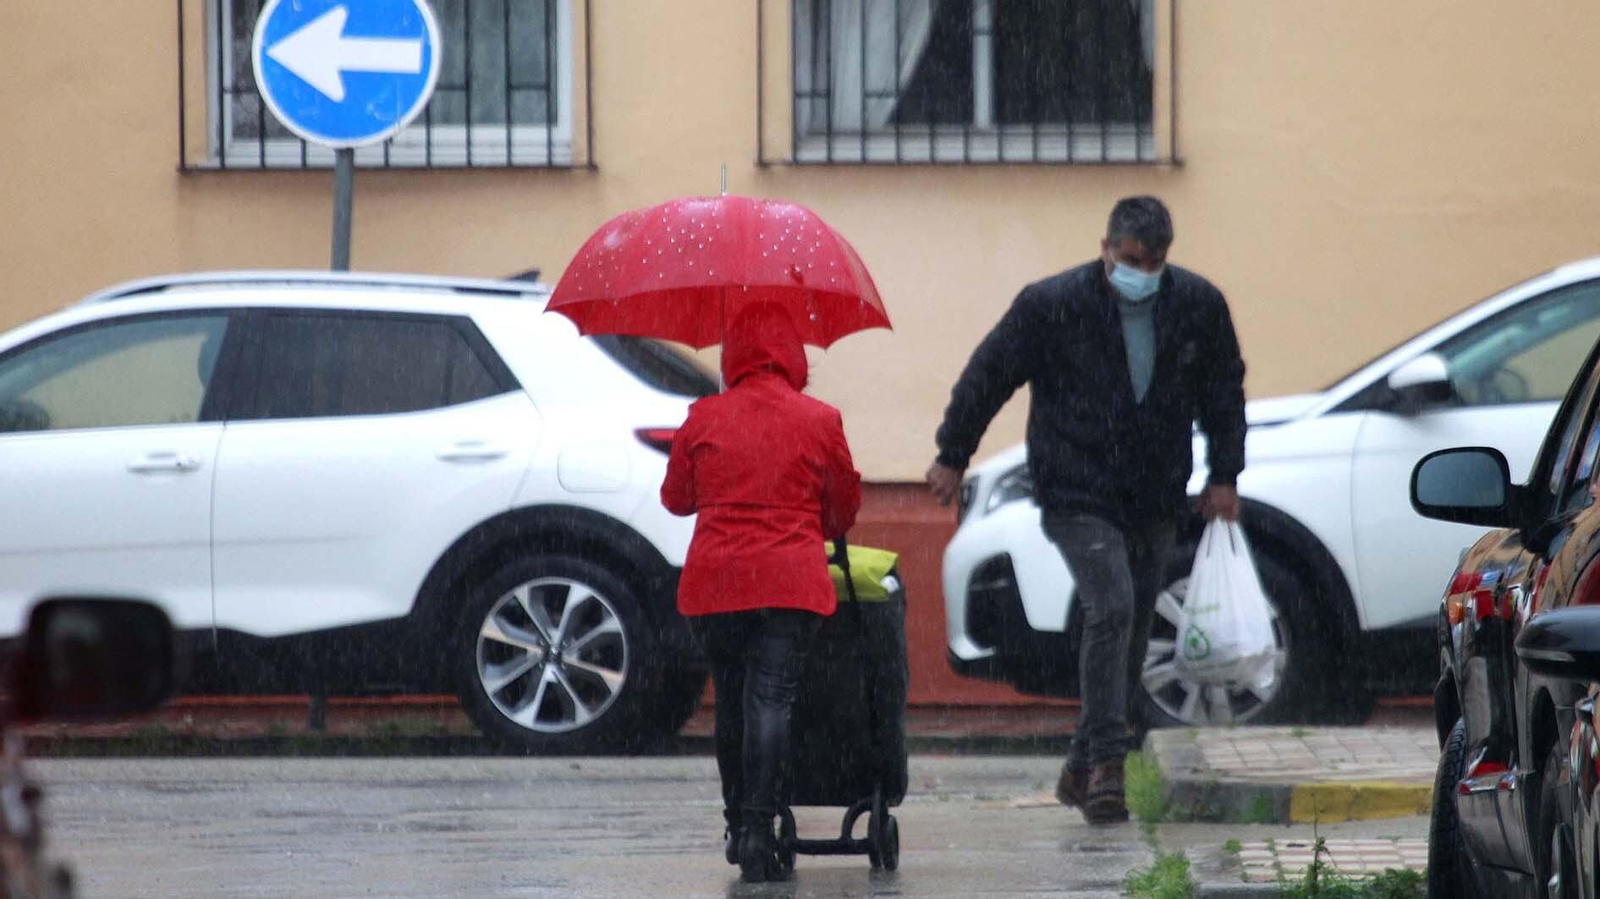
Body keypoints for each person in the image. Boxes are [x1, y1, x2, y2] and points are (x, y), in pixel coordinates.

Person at [926, 196, 1247, 825]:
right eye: (1129, 259)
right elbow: (989, 374)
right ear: (1106, 248)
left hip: (1155, 489)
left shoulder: (1197, 305)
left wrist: (1225, 474)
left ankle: (1078, 766)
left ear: (1166, 259)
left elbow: (1223, 390)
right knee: (1113, 607)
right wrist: (952, 454)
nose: (1140, 272)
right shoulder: (1051, 305)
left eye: (1152, 263)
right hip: (1075, 487)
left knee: (1133, 627)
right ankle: (1107, 763)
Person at [661, 303, 862, 882]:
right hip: (790, 583)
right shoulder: (819, 420)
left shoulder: (703, 416)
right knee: (770, 699)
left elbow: (676, 499)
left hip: (717, 584)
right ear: (793, 357)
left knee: (731, 699)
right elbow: (842, 511)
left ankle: (736, 824)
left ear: (734, 357)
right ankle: (758, 827)